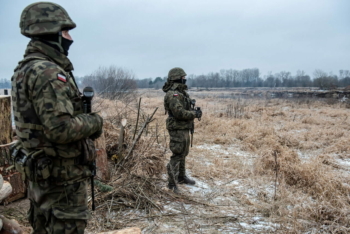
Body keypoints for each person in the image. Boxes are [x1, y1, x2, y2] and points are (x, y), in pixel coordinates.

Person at [11, 2, 103, 233]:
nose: (69, 38)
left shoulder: (26, 69)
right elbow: (60, 129)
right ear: (50, 33)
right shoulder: (48, 72)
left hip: (45, 176)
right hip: (61, 180)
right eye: (65, 32)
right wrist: (95, 121)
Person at [162, 67, 202, 193]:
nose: (185, 79)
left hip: (183, 127)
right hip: (177, 127)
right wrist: (194, 114)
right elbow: (178, 113)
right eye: (183, 77)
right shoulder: (173, 94)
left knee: (183, 153)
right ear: (177, 78)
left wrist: (194, 111)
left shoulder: (181, 93)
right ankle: (171, 183)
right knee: (177, 154)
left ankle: (181, 177)